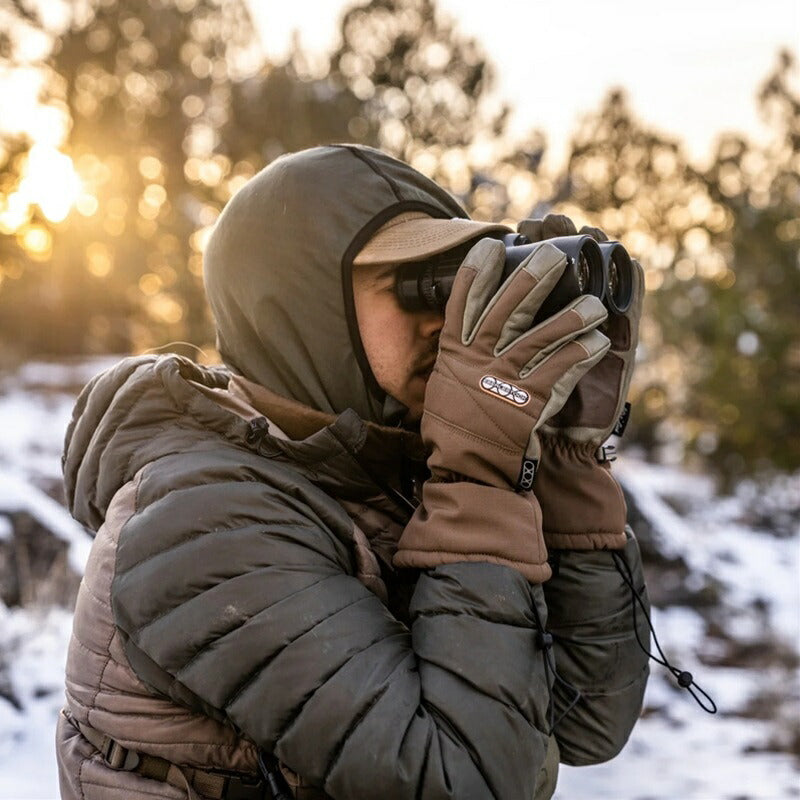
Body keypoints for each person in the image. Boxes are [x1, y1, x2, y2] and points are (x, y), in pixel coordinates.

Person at [56, 144, 651, 800]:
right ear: (307, 307)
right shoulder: (198, 519)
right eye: (412, 284)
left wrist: (564, 445)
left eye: (460, 283)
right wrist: (481, 470)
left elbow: (586, 719)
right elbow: (469, 783)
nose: (447, 321)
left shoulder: (384, 471)